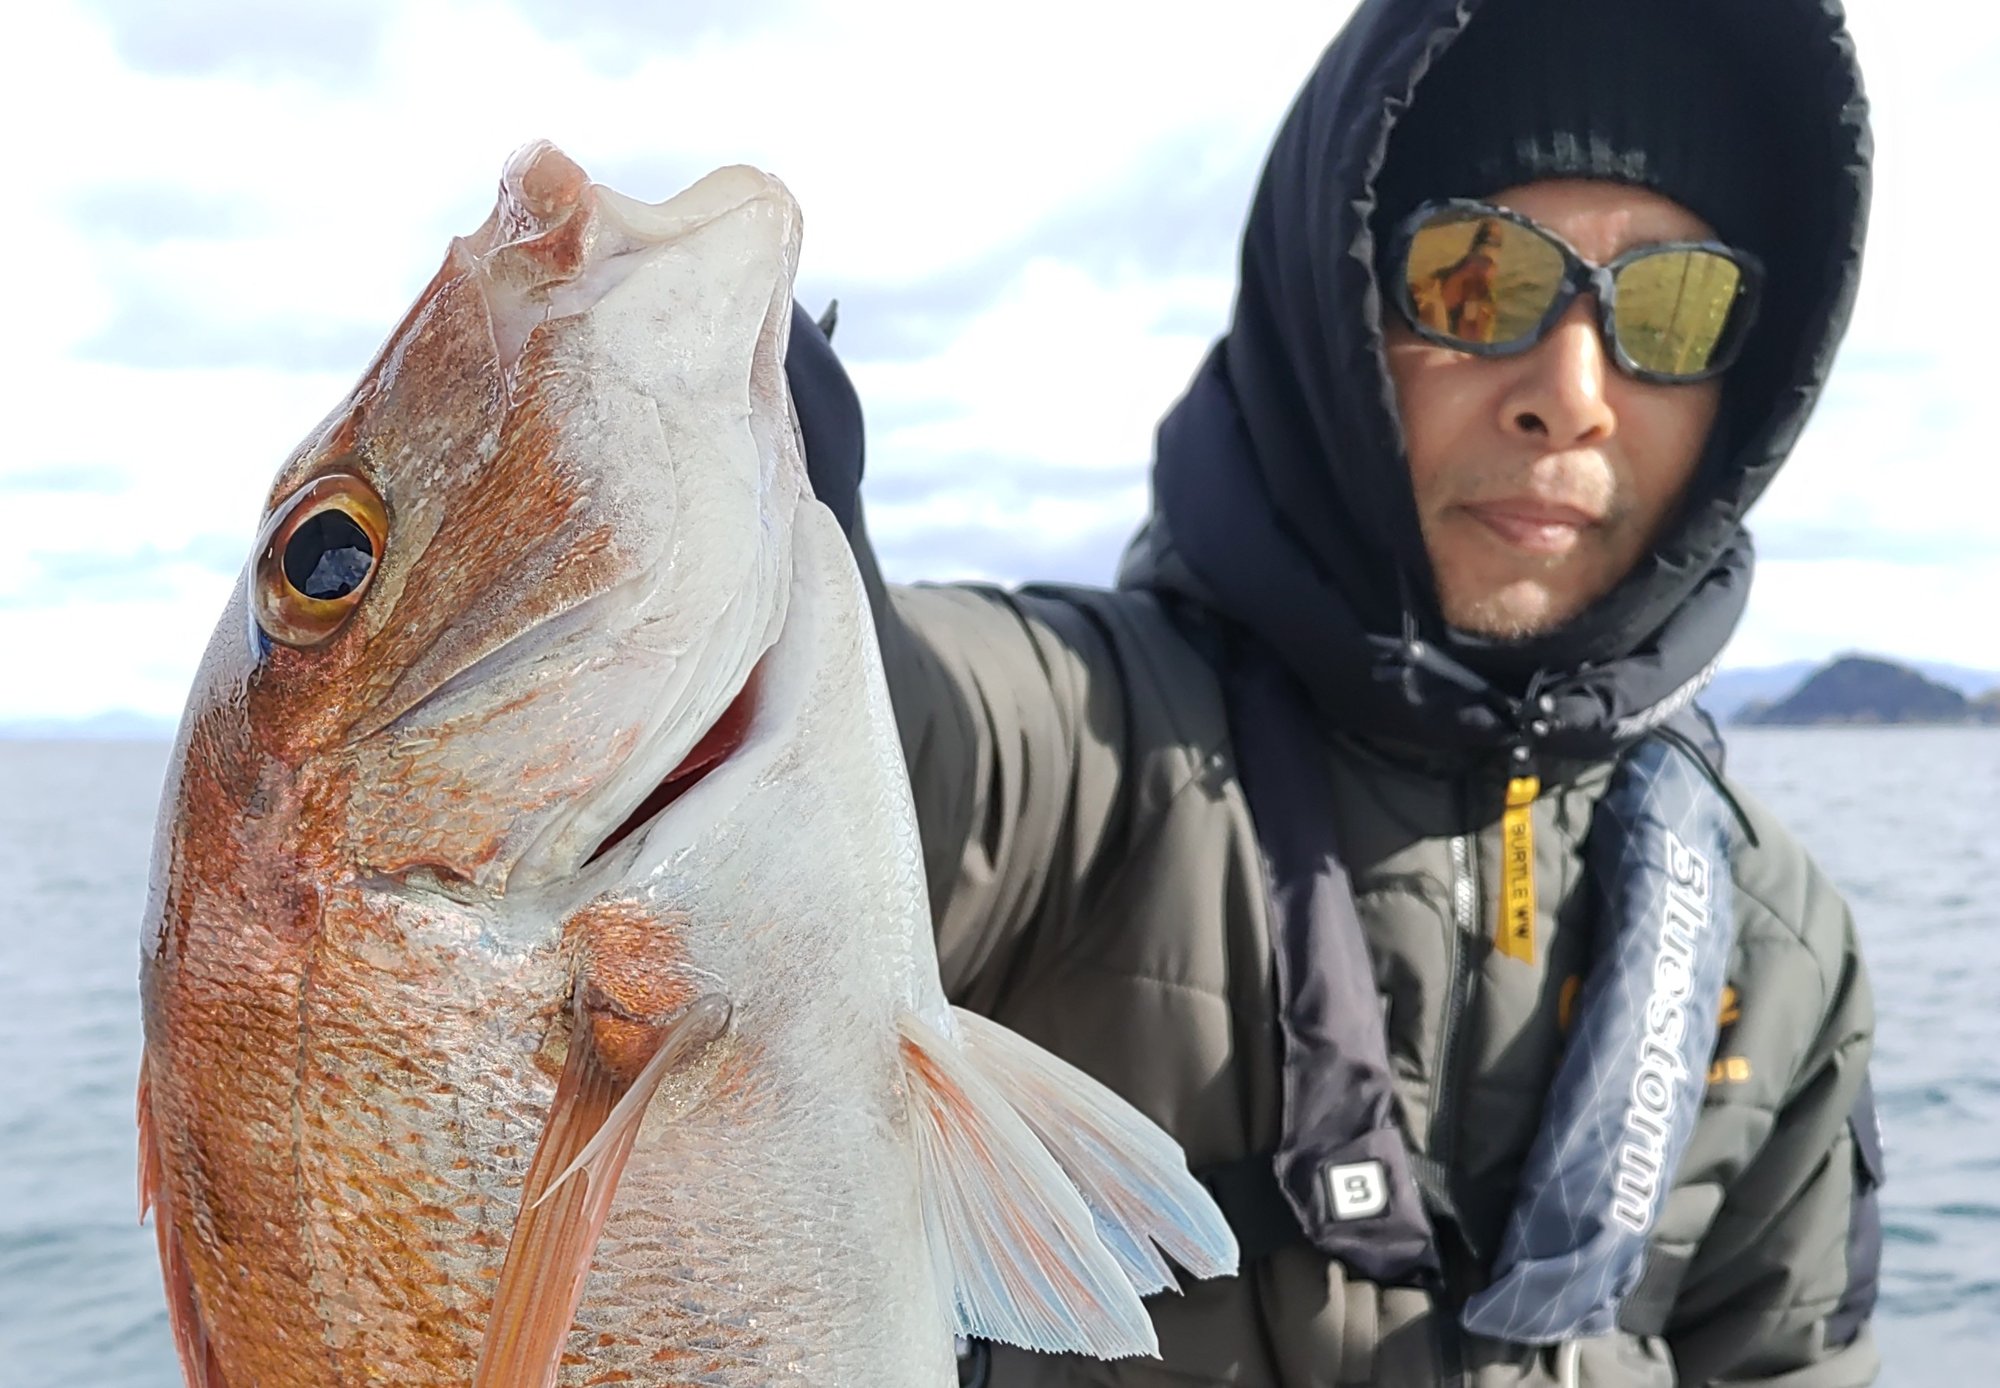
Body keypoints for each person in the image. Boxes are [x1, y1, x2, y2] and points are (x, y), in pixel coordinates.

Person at [785, 0, 1881, 1382]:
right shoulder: (1092, 744)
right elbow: (887, 746)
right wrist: (769, 573)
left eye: (1679, 305)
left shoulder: (1783, 954)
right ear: (1338, 302)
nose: (1572, 391)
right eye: (1477, 277)